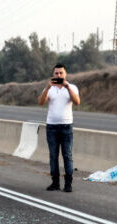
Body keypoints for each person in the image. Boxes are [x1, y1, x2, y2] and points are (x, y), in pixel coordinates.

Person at [37, 63, 81, 193]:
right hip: (52, 127)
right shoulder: (49, 88)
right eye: (56, 73)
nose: (59, 75)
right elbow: (40, 103)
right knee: (53, 155)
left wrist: (67, 87)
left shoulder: (72, 87)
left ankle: (68, 183)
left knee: (67, 155)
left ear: (65, 74)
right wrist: (46, 88)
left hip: (66, 126)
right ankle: (55, 182)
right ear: (53, 75)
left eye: (61, 73)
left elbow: (77, 102)